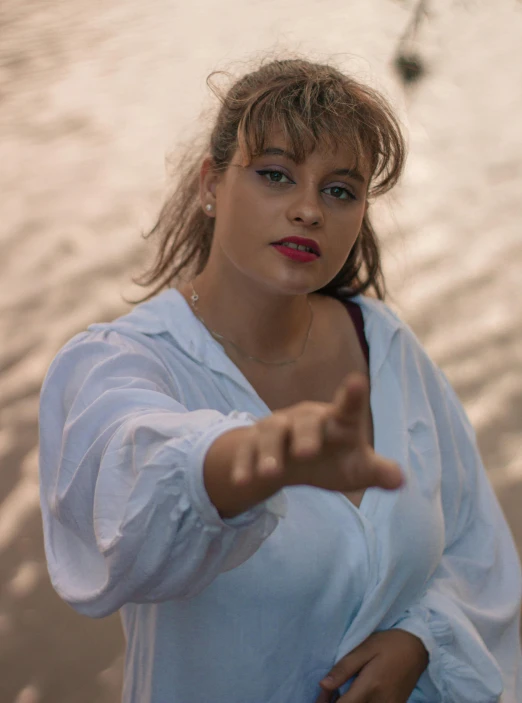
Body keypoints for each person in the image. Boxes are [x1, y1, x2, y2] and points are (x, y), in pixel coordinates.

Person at [39, 58, 522, 703]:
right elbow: (128, 494)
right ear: (212, 183)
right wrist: (260, 460)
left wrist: (423, 639)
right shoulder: (122, 362)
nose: (308, 210)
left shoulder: (386, 344)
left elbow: (474, 545)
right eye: (275, 175)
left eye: (339, 190)